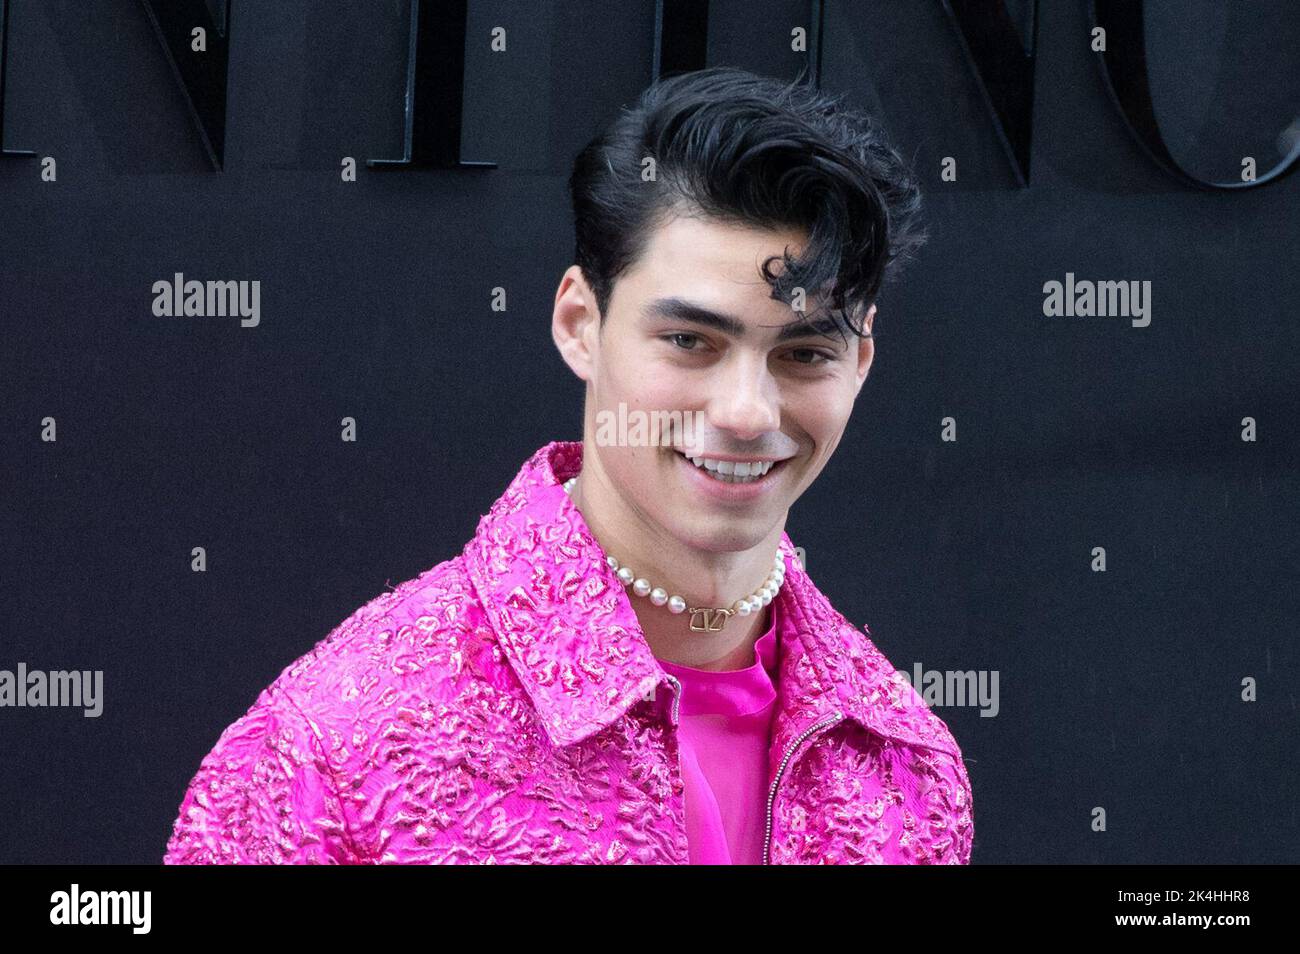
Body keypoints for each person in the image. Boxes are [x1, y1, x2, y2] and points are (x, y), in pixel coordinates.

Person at [163, 66, 973, 865]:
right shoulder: (337, 741)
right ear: (580, 322)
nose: (746, 412)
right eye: (691, 341)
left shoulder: (907, 763)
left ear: (860, 364)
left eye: (803, 352)